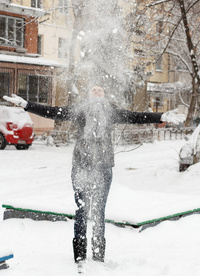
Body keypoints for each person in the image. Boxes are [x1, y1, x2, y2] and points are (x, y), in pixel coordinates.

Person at [3, 87, 185, 265]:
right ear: (87, 95)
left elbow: (135, 116)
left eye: (100, 90)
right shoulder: (80, 111)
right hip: (81, 166)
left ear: (105, 95)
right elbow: (53, 112)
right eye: (93, 90)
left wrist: (160, 116)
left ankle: (98, 256)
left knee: (99, 211)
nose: (97, 92)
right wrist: (27, 105)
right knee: (81, 210)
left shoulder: (111, 112)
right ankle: (80, 257)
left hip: (104, 167)